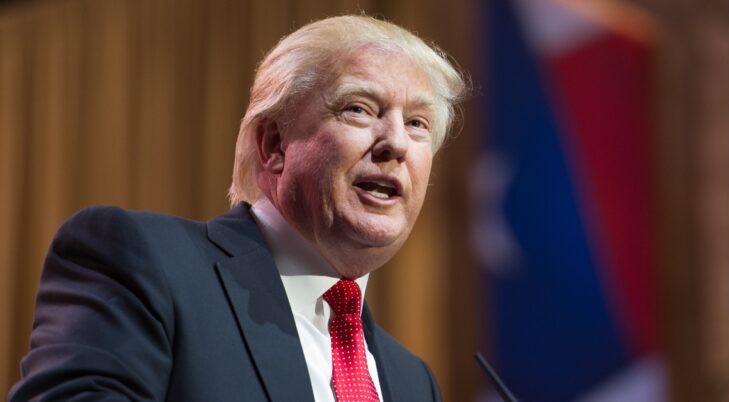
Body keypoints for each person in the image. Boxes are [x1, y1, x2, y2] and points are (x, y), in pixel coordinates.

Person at [8, 15, 466, 402]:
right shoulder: (144, 264)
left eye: (417, 123)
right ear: (273, 145)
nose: (396, 144)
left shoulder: (413, 381)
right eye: (359, 109)